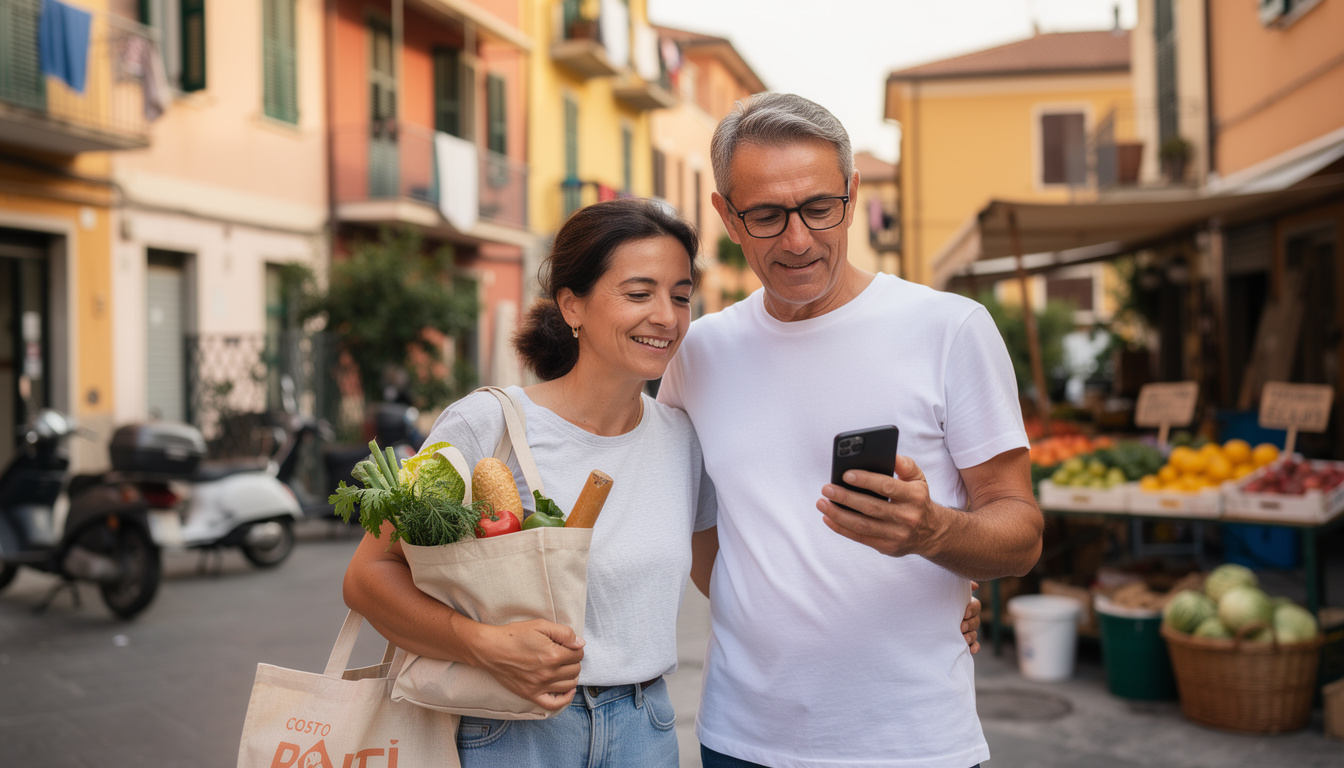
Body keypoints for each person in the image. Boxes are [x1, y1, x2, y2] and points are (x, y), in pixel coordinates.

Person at [343, 198, 982, 766]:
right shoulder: (485, 424)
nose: (667, 317)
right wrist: (485, 644)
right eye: (638, 292)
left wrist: (920, 602)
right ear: (572, 305)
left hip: (645, 730)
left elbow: (729, 572)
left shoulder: (681, 438)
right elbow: (368, 576)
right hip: (506, 732)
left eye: (680, 295)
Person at [657, 93, 1044, 768]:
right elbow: (698, 530)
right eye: (768, 216)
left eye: (818, 208)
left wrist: (935, 534)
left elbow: (1022, 533)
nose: (798, 238)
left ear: (853, 194)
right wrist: (772, 617)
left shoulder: (949, 330)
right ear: (726, 215)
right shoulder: (699, 354)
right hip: (740, 738)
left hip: (915, 744)